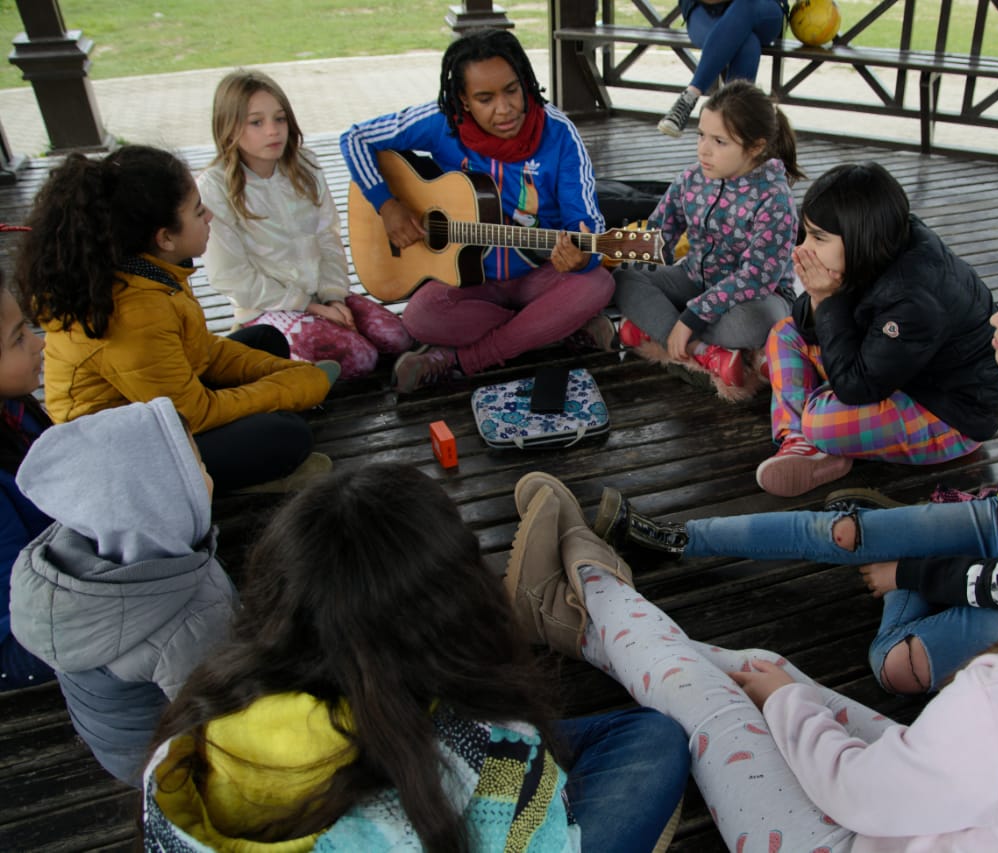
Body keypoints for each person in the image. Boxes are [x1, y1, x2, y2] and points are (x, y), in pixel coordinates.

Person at [507, 443, 998, 852]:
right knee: (773, 675)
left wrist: (784, 702)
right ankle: (593, 621)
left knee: (723, 698)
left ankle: (591, 589)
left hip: (863, 826)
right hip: (964, 811)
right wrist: (790, 695)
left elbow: (857, 793)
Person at [596, 244, 998, 692]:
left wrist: (912, 575)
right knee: (842, 530)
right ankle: (679, 540)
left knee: (896, 664)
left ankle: (894, 550)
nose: (997, 319)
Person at [141, 462, 689, 853]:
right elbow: (536, 839)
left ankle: (568, 597)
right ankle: (577, 586)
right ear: (454, 606)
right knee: (656, 737)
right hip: (480, 806)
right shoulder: (497, 753)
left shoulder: (195, 732)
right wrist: (526, 766)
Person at [14, 145, 335, 494]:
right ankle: (231, 484)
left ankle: (271, 429)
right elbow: (192, 414)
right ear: (165, 237)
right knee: (287, 435)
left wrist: (286, 377)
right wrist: (289, 388)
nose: (209, 216)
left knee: (265, 339)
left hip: (156, 405)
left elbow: (202, 352)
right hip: (122, 458)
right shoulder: (132, 312)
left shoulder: (150, 269)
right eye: (198, 212)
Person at [341, 29, 616, 394]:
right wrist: (387, 206)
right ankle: (549, 328)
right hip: (469, 282)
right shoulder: (443, 122)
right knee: (420, 318)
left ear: (526, 83)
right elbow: (355, 138)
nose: (503, 109)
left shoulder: (559, 133)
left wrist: (581, 260)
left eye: (512, 91)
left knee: (596, 285)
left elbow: (588, 224)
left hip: (540, 275)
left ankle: (457, 360)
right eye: (485, 98)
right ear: (463, 101)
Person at [8, 398, 237, 786]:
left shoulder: (64, 559)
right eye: (198, 469)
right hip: (169, 762)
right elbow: (226, 724)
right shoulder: (190, 620)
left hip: (116, 746)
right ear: (158, 499)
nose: (210, 476)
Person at [752, 162, 998, 496]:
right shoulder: (876, 247)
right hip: (894, 371)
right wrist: (821, 297)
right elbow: (805, 326)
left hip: (948, 412)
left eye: (817, 237)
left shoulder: (914, 299)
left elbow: (856, 388)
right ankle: (800, 444)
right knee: (784, 334)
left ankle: (810, 431)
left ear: (860, 237)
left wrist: (825, 298)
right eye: (805, 233)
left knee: (820, 421)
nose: (802, 249)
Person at [200, 69, 416, 380]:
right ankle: (264, 356)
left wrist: (333, 298)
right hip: (266, 307)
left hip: (320, 294)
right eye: (256, 122)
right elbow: (231, 275)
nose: (273, 131)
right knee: (361, 357)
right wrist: (310, 308)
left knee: (397, 338)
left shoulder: (306, 166)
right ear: (228, 126)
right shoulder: (215, 186)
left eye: (280, 119)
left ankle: (312, 359)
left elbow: (328, 238)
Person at [615, 81, 801, 398]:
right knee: (623, 279)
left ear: (755, 147)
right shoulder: (691, 179)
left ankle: (661, 329)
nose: (704, 149)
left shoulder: (775, 200)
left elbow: (756, 278)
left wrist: (692, 316)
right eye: (701, 135)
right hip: (694, 279)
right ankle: (703, 350)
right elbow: (658, 234)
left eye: (719, 141)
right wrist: (615, 251)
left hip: (755, 300)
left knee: (758, 323)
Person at [0, 282, 55, 692]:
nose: (39, 345)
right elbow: (19, 608)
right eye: (19, 337)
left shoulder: (15, 409)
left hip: (49, 585)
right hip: (15, 637)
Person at [657, 0, 788, 137]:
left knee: (745, 5)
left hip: (760, 8)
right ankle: (735, 126)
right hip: (704, 10)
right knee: (747, 43)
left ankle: (690, 97)